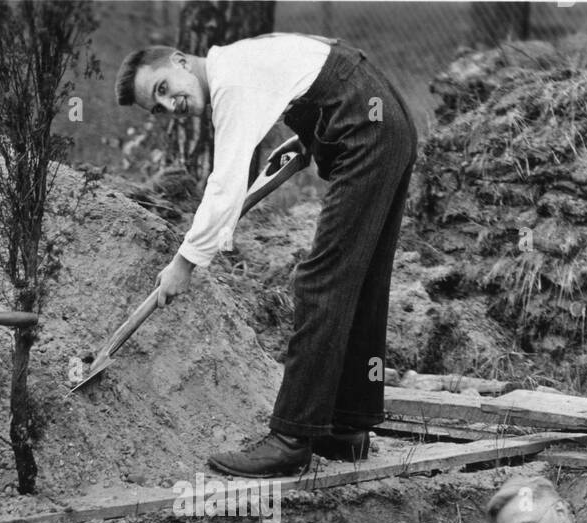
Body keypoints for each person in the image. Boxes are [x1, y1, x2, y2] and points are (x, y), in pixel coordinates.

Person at [114, 33, 417, 477]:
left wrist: (184, 263)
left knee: (321, 281)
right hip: (386, 123)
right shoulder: (238, 63)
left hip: (367, 132)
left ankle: (290, 439)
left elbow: (226, 183)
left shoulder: (228, 82)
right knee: (362, 279)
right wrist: (313, 135)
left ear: (179, 61)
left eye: (162, 88)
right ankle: (347, 429)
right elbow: (313, 75)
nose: (170, 106)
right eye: (158, 108)